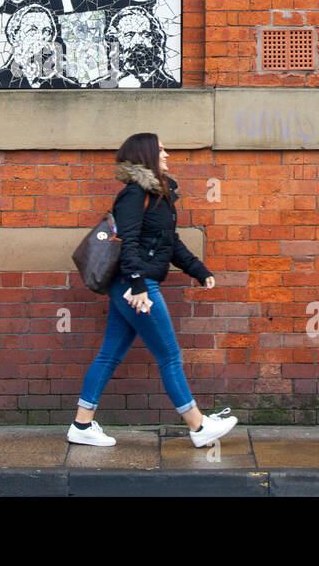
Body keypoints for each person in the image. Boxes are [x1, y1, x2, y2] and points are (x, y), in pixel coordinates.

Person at [68, 133, 237, 449]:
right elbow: (128, 242)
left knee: (109, 356)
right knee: (169, 355)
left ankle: (81, 424)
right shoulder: (134, 195)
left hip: (133, 286)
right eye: (160, 149)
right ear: (145, 154)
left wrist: (199, 271)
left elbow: (170, 244)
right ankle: (198, 427)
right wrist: (138, 286)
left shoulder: (160, 195)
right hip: (137, 287)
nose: (167, 154)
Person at [0, 4, 77, 89]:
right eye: (32, 31)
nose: (41, 37)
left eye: (47, 31)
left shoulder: (63, 85)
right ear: (14, 37)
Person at [97, 6, 177, 88]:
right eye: (129, 35)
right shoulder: (98, 87)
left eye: (145, 34)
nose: (138, 41)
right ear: (115, 42)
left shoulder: (170, 86)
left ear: (155, 39)